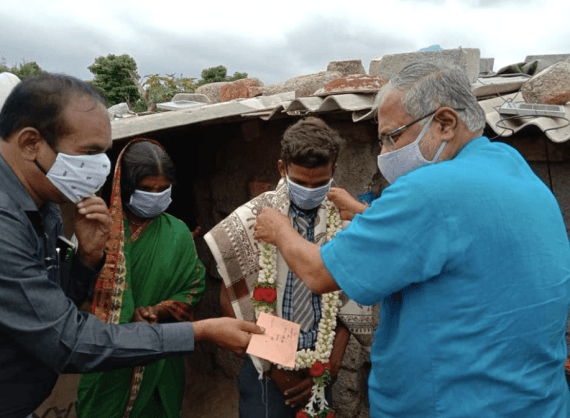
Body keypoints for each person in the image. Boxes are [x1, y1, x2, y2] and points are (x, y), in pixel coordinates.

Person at [254, 63, 570, 417]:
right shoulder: (516, 170)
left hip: (449, 404)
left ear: (445, 123)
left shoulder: (429, 189)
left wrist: (279, 229)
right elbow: (448, 243)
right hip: (537, 402)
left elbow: (317, 273)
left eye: (393, 136)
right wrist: (365, 213)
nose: (386, 153)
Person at [0, 74, 262, 418]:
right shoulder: (6, 222)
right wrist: (200, 332)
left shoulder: (44, 203)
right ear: (31, 142)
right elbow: (69, 340)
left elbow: (50, 302)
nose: (99, 168)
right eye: (89, 152)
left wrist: (86, 261)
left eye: (103, 153)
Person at [205, 117, 376, 418]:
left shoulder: (342, 220)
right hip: (265, 373)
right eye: (301, 182)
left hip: (321, 368)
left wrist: (331, 364)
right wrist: (277, 372)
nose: (310, 190)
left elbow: (351, 296)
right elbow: (231, 301)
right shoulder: (251, 219)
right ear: (282, 168)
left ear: (333, 170)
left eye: (320, 183)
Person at [76, 139, 207, 417]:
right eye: (147, 190)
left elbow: (194, 287)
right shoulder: (100, 231)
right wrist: (124, 318)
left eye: (163, 190)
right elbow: (80, 293)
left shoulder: (179, 233)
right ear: (125, 187)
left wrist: (157, 312)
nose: (156, 196)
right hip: (111, 360)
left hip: (161, 359)